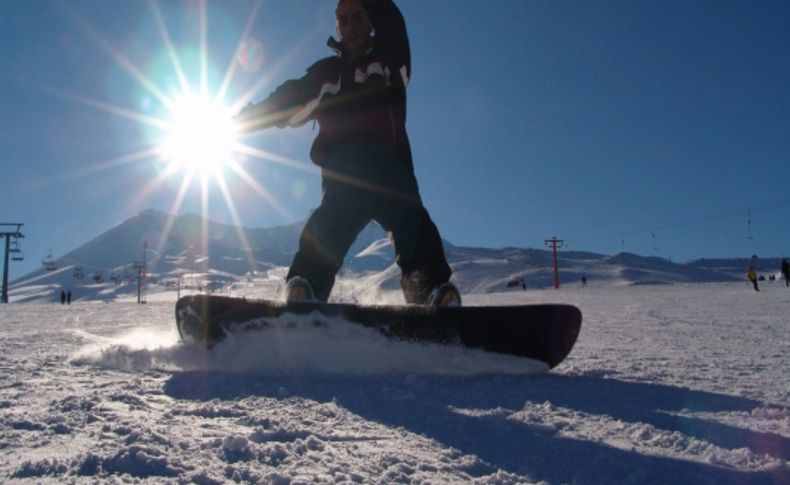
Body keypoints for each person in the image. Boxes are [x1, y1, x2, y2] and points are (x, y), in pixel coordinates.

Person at [235, 0, 459, 306]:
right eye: (343, 20)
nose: (351, 26)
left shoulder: (390, 58)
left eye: (358, 17)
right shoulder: (326, 74)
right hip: (345, 173)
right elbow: (289, 98)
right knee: (326, 228)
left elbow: (393, 25)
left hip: (390, 170)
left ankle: (429, 290)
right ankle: (305, 289)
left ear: (371, 21)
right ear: (337, 28)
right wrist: (249, 117)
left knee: (415, 227)